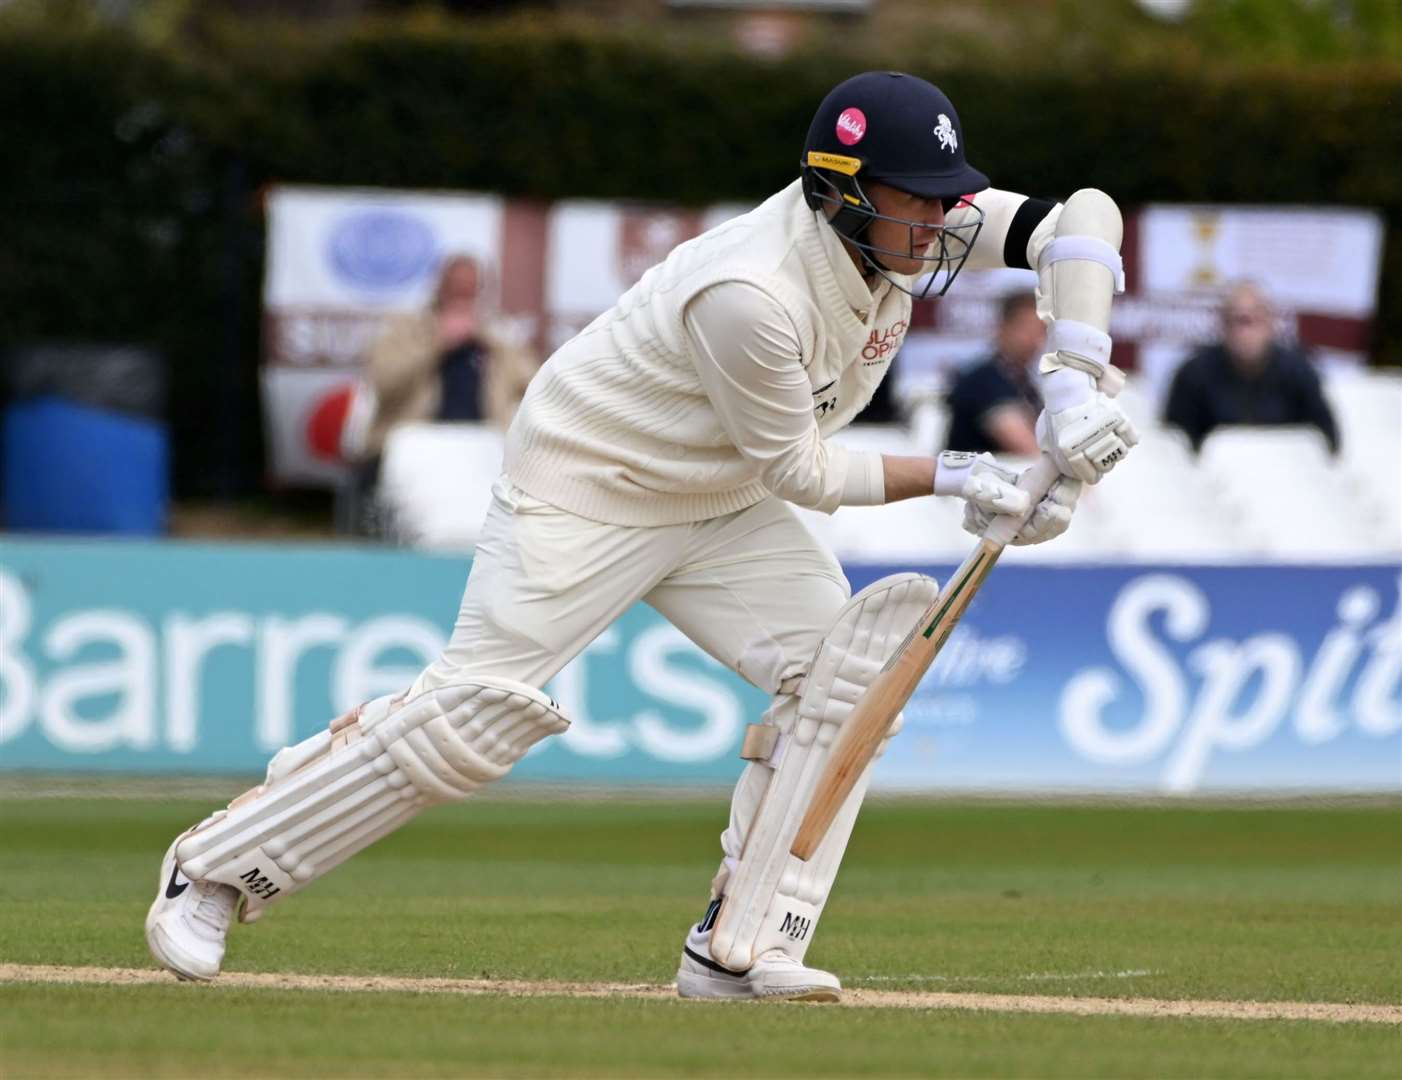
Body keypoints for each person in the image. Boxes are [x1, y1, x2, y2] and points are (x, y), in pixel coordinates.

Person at [145, 71, 1137, 1002]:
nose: (939, 221)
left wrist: (1069, 383)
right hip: (590, 485)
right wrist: (967, 475)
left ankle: (739, 948)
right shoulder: (751, 294)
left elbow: (1080, 220)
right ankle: (212, 873)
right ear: (837, 191)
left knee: (845, 681)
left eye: (944, 196)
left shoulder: (901, 227)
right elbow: (800, 472)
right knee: (473, 715)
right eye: (915, 199)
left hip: (717, 498)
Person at [357, 253, 538, 456]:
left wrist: (491, 341)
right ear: (440, 288)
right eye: (457, 288)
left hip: (481, 445)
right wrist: (438, 346)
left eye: (471, 290)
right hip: (415, 442)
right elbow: (385, 383)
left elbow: (533, 384)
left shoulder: (498, 335)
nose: (463, 296)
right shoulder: (405, 329)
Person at [1163, 281, 1340, 453]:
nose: (1245, 332)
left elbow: (1327, 440)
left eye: (1254, 320)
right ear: (1222, 325)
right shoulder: (1194, 374)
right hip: (1218, 479)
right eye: (1237, 320)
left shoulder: (1299, 371)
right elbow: (1175, 446)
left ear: (1271, 323)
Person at [943, 290, 1045, 455]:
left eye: (1040, 330)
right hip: (972, 478)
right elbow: (1027, 447)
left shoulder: (1023, 380)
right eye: (1025, 328)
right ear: (1002, 327)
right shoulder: (982, 381)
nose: (1033, 339)